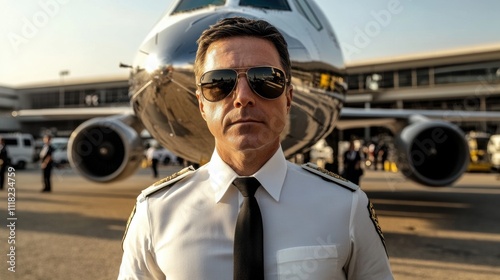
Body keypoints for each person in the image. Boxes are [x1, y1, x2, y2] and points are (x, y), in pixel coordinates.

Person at [119, 17, 393, 279]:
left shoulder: (346, 207)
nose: (243, 98)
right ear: (202, 104)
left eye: (265, 79)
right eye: (219, 83)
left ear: (288, 98)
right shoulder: (154, 213)